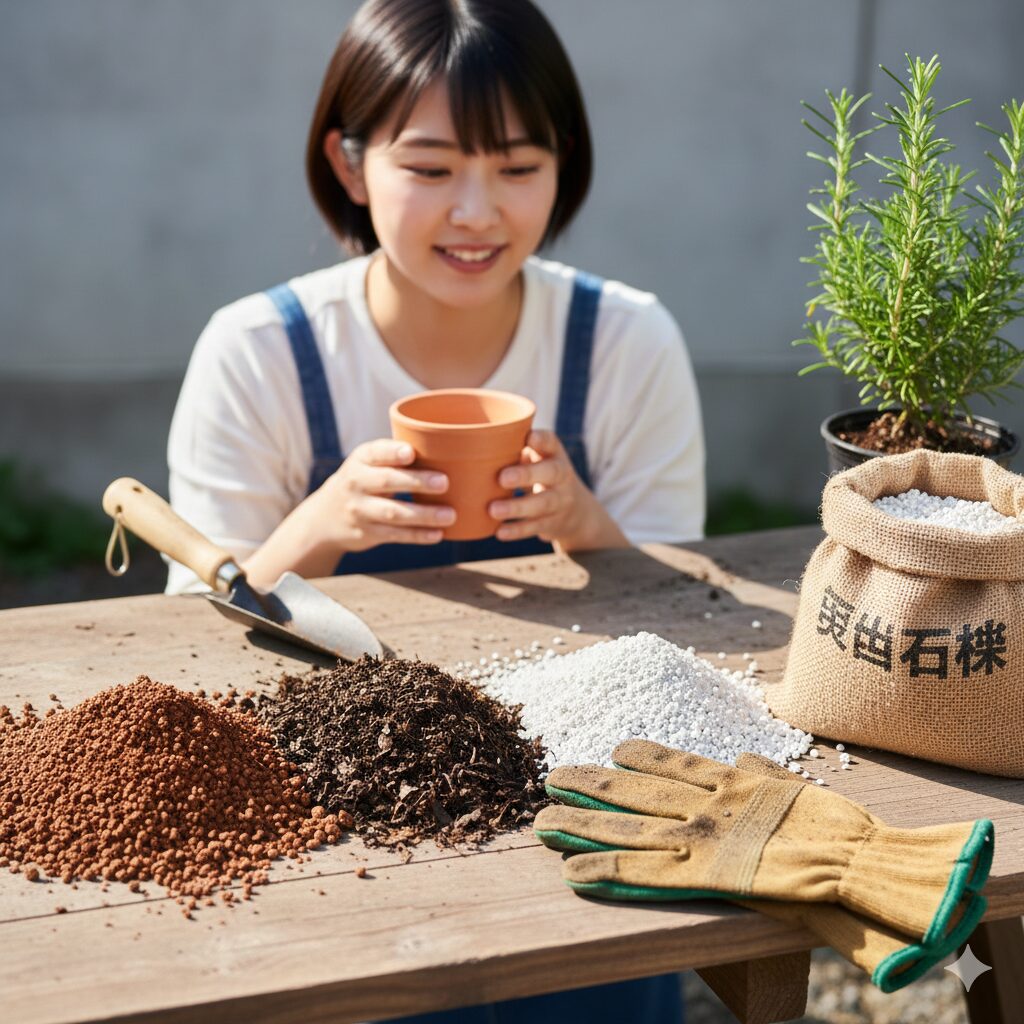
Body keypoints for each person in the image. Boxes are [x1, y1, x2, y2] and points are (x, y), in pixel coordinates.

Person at [167, 1, 702, 1020]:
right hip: (332, 834)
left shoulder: (624, 341)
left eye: (516, 166)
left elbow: (690, 621)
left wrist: (585, 524)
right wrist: (320, 525)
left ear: (564, 161)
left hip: (577, 804)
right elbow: (182, 624)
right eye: (429, 167)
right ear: (347, 161)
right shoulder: (261, 350)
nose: (476, 212)